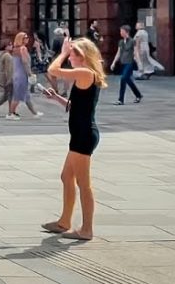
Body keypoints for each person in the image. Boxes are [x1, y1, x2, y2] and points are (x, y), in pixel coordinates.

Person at [40, 38, 107, 242]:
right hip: (80, 133)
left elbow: (53, 70)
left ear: (83, 56)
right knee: (66, 177)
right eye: (70, 54)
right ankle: (64, 222)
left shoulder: (85, 72)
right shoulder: (85, 75)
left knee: (83, 184)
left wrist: (61, 53)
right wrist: (57, 98)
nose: (70, 57)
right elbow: (76, 106)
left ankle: (86, 229)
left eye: (73, 54)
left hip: (84, 135)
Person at [109, 25, 142, 105]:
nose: (120, 33)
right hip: (123, 63)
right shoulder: (120, 42)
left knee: (123, 79)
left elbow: (136, 52)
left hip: (129, 63)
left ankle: (120, 99)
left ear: (126, 32)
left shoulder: (132, 41)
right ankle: (138, 95)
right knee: (127, 80)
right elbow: (118, 53)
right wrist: (113, 62)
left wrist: (139, 63)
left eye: (121, 31)